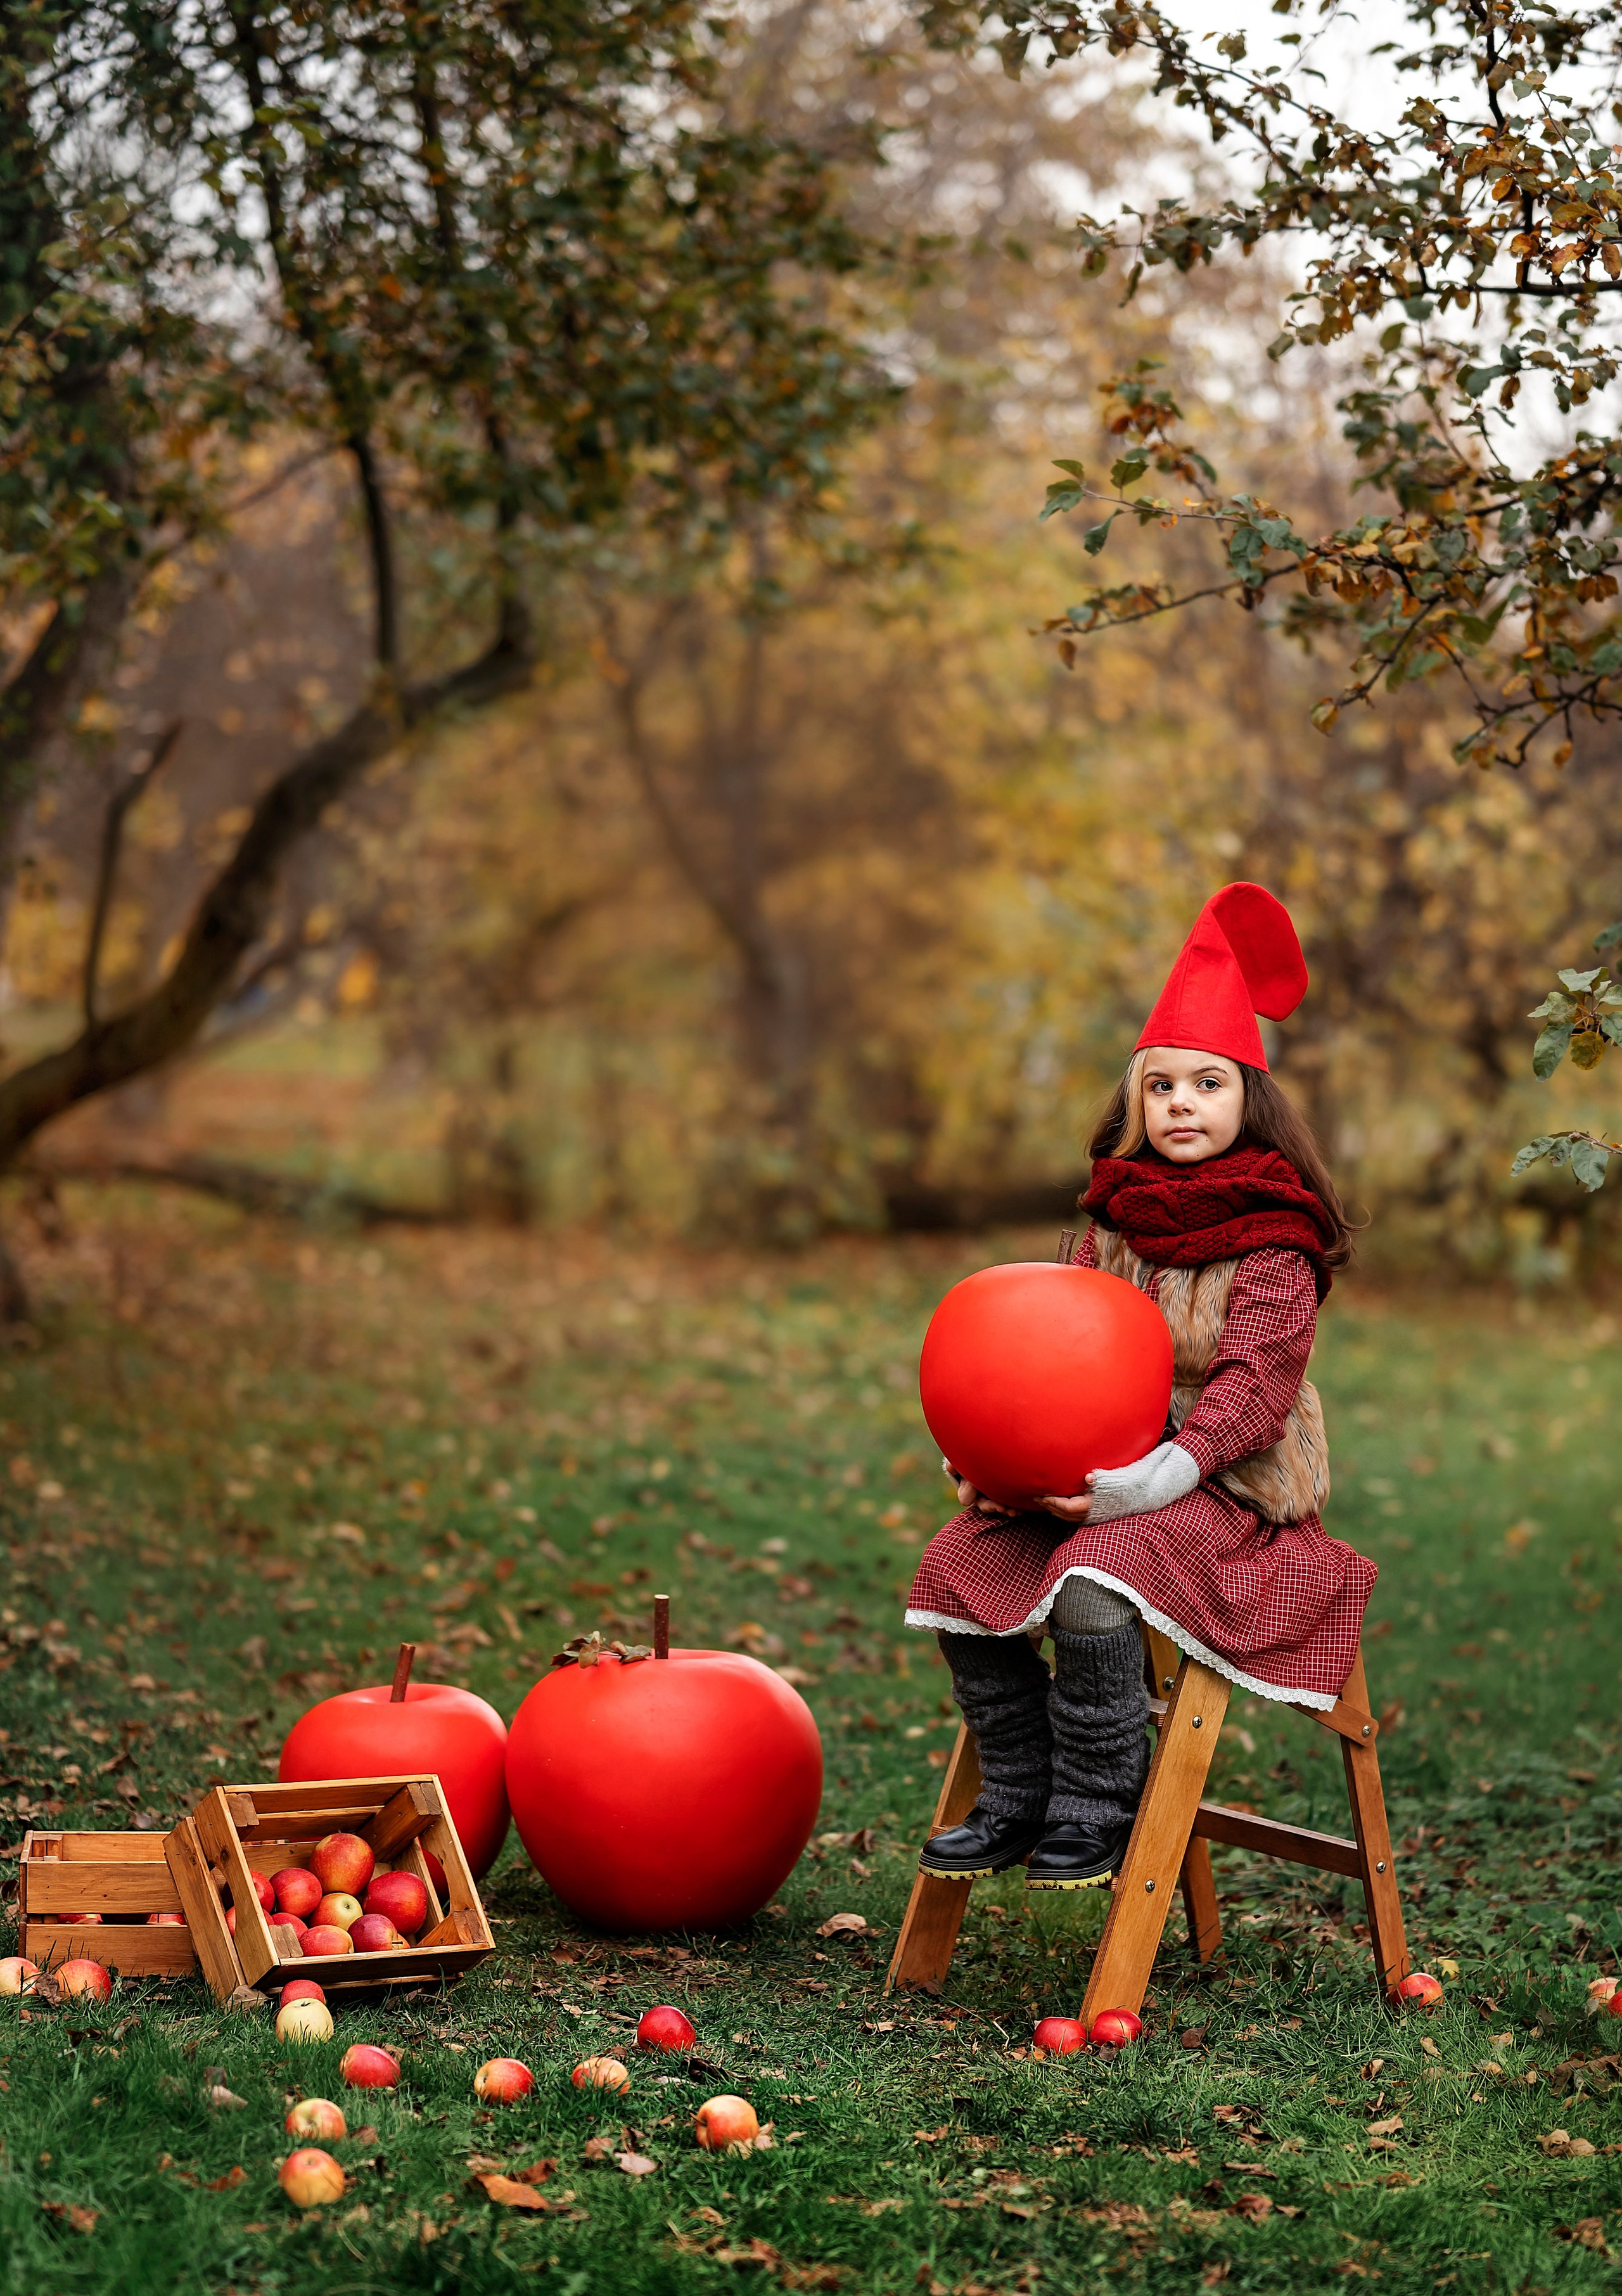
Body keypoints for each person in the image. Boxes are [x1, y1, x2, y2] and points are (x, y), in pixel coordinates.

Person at [905, 883, 1374, 1892]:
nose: (1181, 1105)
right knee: (956, 1563)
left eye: (1207, 1084)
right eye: (1161, 1087)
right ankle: (1020, 1791)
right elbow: (1046, 1355)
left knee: (1093, 1576)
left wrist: (1156, 1478)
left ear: (1249, 1100)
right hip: (1097, 1474)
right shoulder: (1113, 1223)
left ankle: (1099, 1807)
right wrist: (995, 1458)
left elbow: (1254, 1386)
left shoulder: (1274, 1238)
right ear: (1136, 1104)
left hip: (1224, 1490)